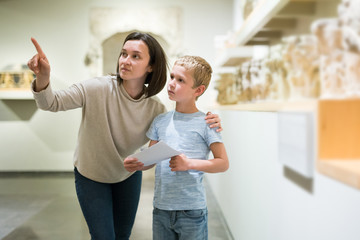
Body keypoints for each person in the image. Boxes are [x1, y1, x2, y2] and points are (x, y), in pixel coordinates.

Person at [27, 32, 222, 240]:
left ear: (151, 66)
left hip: (128, 176)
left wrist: (209, 120)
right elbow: (50, 103)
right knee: (103, 237)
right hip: (91, 175)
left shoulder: (155, 109)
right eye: (123, 54)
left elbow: (177, 127)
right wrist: (44, 77)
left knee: (122, 236)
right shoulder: (96, 88)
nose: (125, 61)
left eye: (135, 56)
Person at [124, 55, 229, 240]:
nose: (171, 83)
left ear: (198, 90)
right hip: (161, 209)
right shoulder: (160, 121)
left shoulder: (207, 123)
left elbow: (222, 163)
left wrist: (189, 164)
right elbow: (151, 160)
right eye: (172, 77)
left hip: (192, 211)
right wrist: (139, 163)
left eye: (180, 80)